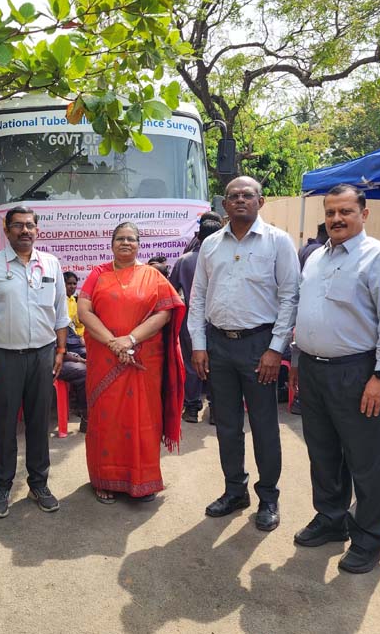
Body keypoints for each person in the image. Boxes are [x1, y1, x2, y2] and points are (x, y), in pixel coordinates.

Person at [290, 184, 380, 574]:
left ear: (364, 213)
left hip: (358, 373)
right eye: (331, 213)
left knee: (366, 462)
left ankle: (369, 539)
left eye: (346, 211)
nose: (337, 219)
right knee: (323, 454)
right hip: (312, 369)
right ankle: (331, 519)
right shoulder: (315, 259)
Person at [189, 176, 299, 532]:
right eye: (233, 196)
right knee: (227, 424)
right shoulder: (210, 246)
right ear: (224, 204)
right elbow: (198, 299)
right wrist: (200, 345)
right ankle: (234, 489)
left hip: (259, 346)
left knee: (265, 425)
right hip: (219, 345)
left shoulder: (278, 242)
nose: (240, 200)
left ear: (261, 201)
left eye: (247, 195)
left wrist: (274, 349)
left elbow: (289, 298)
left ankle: (268, 497)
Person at [0, 206, 70, 518]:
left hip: (43, 355)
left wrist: (61, 351)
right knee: (4, 424)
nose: (24, 231)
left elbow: (61, 313)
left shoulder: (50, 264)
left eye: (29, 225)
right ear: (7, 230)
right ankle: (1, 485)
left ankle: (39, 482)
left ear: (37, 230)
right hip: (3, 358)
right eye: (17, 226)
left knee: (40, 421)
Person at [77, 221, 186, 503]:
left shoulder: (152, 275)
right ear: (111, 244)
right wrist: (114, 342)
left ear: (139, 244)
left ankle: (143, 481)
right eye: (120, 239)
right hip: (105, 360)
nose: (125, 243)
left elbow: (165, 313)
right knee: (106, 421)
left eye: (131, 239)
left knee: (143, 421)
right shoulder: (97, 274)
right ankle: (104, 480)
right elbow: (84, 311)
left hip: (143, 362)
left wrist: (131, 340)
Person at [170, 219, 222, 423]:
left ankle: (191, 407)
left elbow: (171, 290)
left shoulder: (185, 261)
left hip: (191, 321)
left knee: (192, 364)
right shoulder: (224, 258)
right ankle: (216, 408)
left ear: (198, 236)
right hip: (220, 321)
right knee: (217, 365)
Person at [60, 271, 87, 430]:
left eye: (73, 284)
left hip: (74, 341)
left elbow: (79, 324)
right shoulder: (56, 302)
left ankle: (82, 404)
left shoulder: (74, 301)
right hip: (62, 348)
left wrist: (82, 336)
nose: (71, 287)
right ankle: (84, 412)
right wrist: (77, 358)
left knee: (93, 357)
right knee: (84, 368)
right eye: (68, 283)